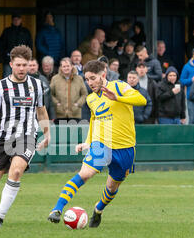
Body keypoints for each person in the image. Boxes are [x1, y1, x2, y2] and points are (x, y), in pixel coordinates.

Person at [47, 60, 146, 227]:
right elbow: (94, 119)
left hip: (125, 148)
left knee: (112, 187)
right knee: (84, 174)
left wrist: (119, 98)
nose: (90, 82)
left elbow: (141, 99)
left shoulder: (119, 86)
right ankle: (57, 210)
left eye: (93, 78)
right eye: (87, 79)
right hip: (102, 144)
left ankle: (98, 210)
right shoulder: (92, 99)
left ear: (103, 75)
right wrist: (88, 142)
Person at [0, 45, 51, 227]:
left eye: (25, 65)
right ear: (11, 64)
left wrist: (47, 134)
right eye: (18, 65)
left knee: (17, 170)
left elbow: (42, 112)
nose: (22, 69)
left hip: (27, 136)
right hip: (3, 138)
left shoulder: (36, 85)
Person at [50, 57, 87, 123]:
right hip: (60, 113)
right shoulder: (55, 79)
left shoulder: (79, 79)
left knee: (74, 133)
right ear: (61, 67)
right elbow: (50, 94)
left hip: (75, 113)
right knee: (61, 133)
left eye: (68, 66)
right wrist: (57, 103)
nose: (66, 68)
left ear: (72, 66)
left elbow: (84, 94)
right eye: (64, 66)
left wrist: (78, 104)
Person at [0, 13, 33, 78]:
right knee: (7, 78)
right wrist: (2, 57)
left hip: (22, 60)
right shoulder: (7, 31)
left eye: (18, 19)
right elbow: (1, 45)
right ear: (12, 20)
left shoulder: (25, 31)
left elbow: (30, 46)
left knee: (22, 78)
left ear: (21, 20)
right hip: (9, 60)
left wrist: (28, 58)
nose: (16, 21)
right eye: (14, 19)